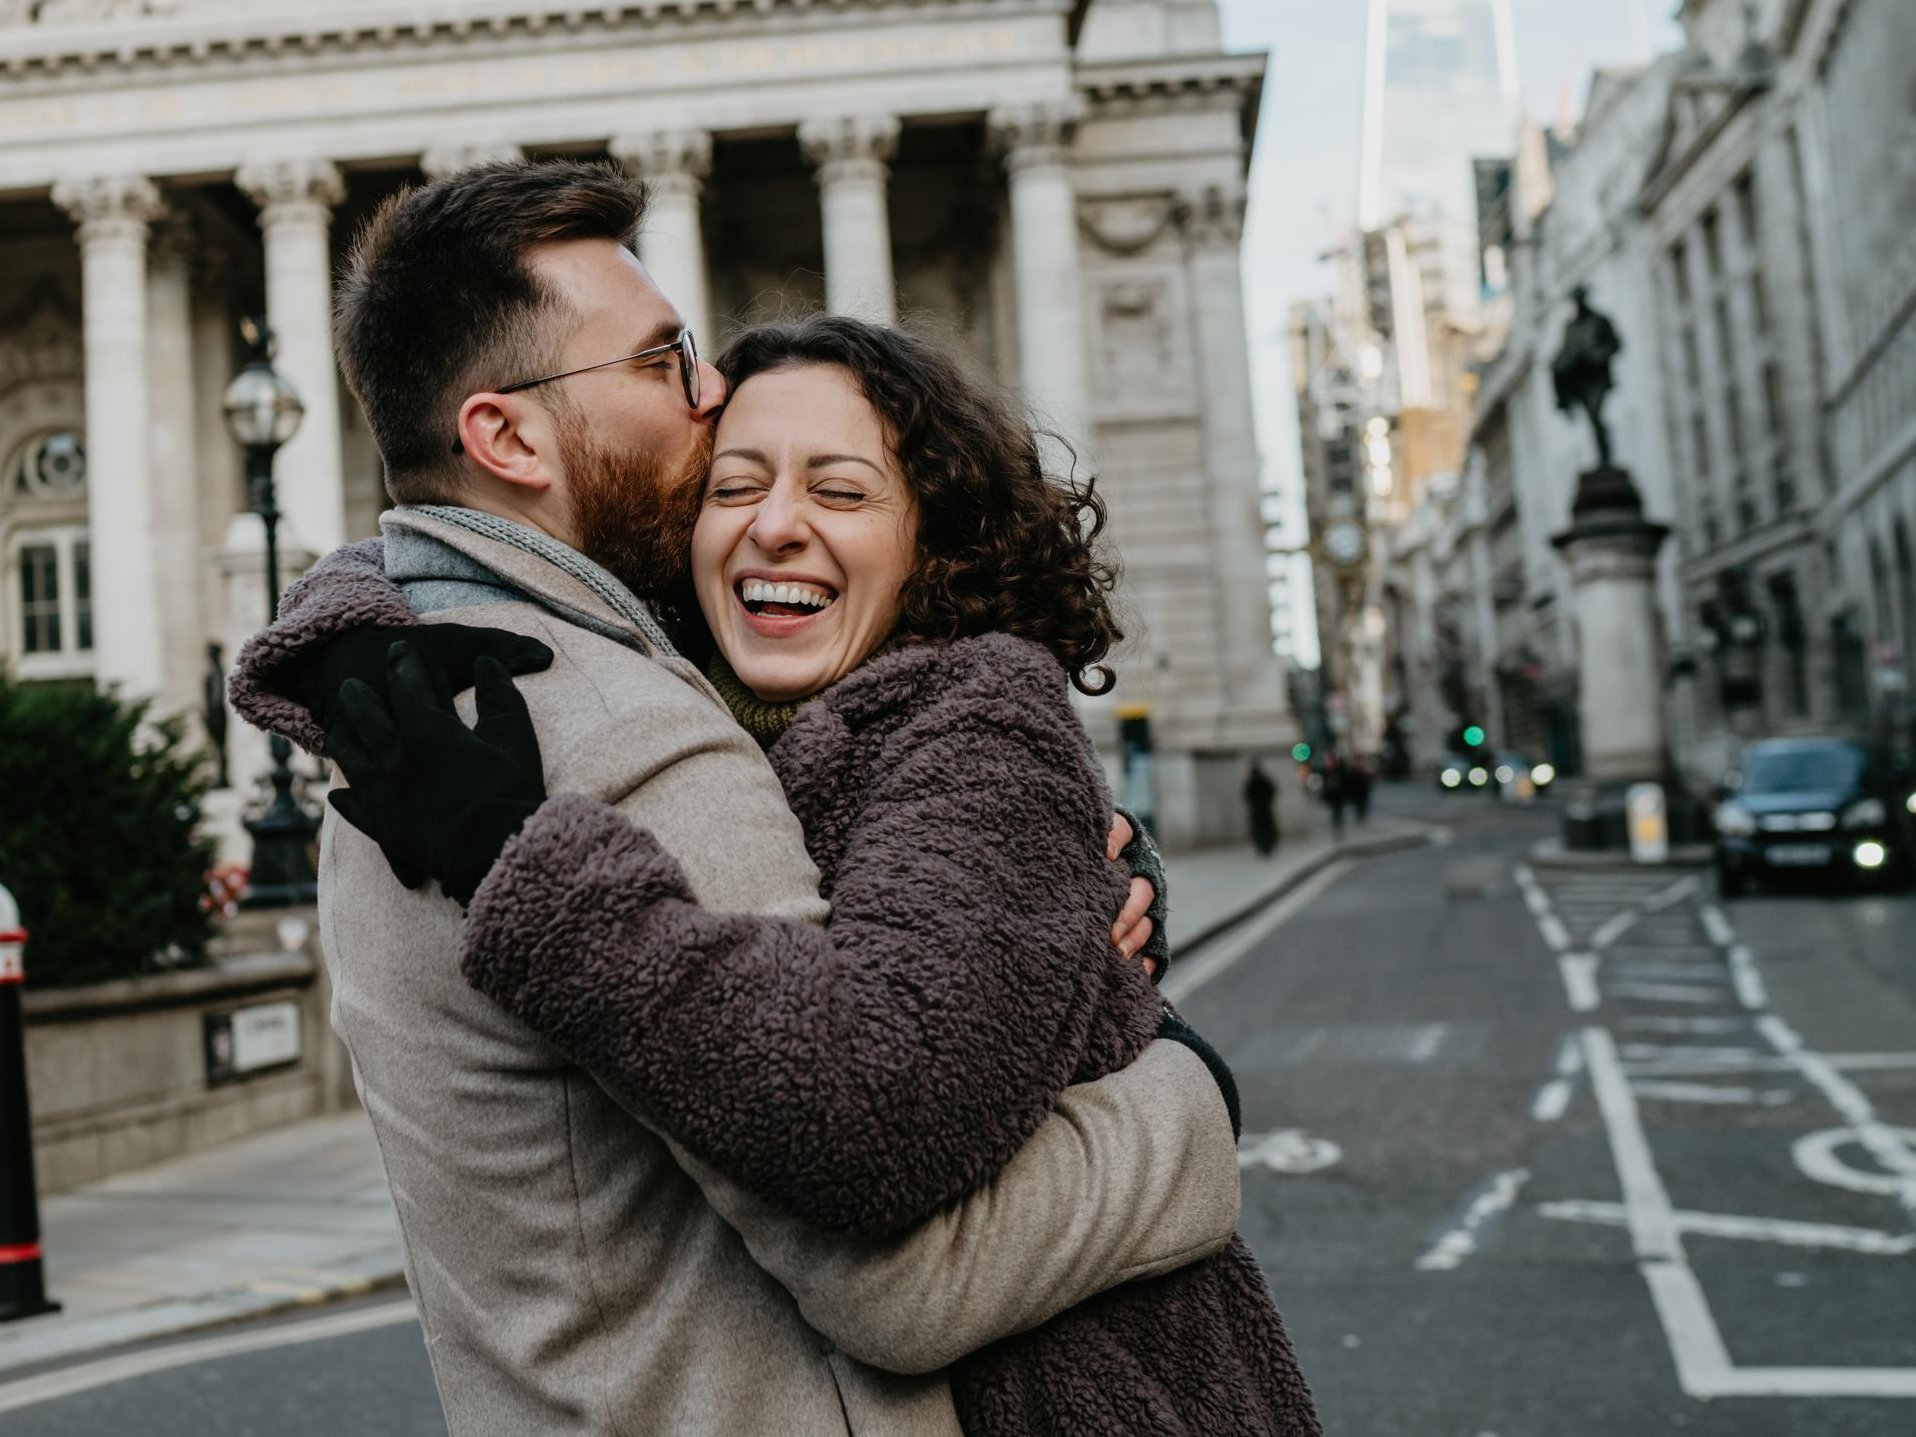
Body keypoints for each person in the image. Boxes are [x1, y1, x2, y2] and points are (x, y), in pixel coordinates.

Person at [226, 161, 1242, 1436]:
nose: (704, 394)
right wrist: (1188, 1099)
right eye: (662, 364)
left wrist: (1037, 883)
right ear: (504, 435)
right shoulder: (629, 737)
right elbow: (904, 1270)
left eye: (839, 487)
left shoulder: (410, 704)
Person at [1243, 758, 1280, 858]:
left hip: (1259, 809)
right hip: (1263, 808)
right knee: (1264, 829)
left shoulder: (1253, 782)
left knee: (1260, 829)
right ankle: (1265, 847)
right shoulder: (1261, 781)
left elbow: (1247, 795)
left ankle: (1263, 847)